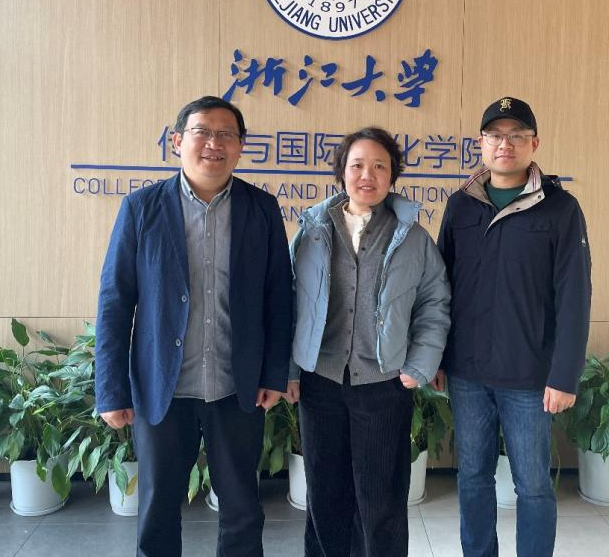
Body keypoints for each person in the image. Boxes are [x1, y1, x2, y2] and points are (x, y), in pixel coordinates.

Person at [95, 95, 293, 557]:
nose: (213, 144)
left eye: (226, 134)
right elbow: (115, 302)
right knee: (158, 509)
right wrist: (110, 390)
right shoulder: (141, 208)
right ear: (177, 141)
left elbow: (278, 297)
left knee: (243, 509)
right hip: (163, 389)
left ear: (241, 146)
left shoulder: (261, 208)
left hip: (236, 387)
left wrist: (274, 373)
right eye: (202, 132)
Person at [433, 96, 592, 557]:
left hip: (528, 375)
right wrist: (437, 357)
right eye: (496, 135)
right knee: (473, 478)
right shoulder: (461, 206)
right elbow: (440, 287)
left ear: (534, 144)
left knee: (533, 485)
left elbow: (575, 295)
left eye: (517, 135)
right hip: (467, 372)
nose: (505, 144)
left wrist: (564, 375)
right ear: (481, 143)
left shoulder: (560, 209)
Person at [282, 127, 451, 557]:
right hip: (320, 382)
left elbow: (434, 303)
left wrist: (419, 364)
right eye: (357, 165)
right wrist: (289, 370)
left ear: (393, 175)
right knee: (325, 494)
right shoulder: (313, 231)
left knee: (382, 500)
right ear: (342, 171)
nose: (367, 175)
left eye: (379, 166)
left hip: (384, 383)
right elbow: (290, 301)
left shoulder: (412, 237)